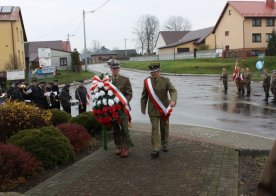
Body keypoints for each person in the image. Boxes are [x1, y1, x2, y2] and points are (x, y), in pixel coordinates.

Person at [141, 63, 177, 158]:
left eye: (155, 72)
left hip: (164, 109)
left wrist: (173, 100)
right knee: (155, 129)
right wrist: (143, 108)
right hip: (153, 110)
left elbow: (173, 90)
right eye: (151, 72)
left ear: (158, 71)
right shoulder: (147, 82)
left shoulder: (165, 81)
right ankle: (156, 148)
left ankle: (164, 144)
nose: (153, 74)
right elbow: (144, 96)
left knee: (164, 127)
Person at [109, 60, 133, 158]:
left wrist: (123, 103)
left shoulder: (125, 80)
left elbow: (129, 94)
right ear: (111, 69)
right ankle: (118, 146)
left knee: (124, 129)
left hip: (123, 109)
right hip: (112, 110)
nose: (115, 70)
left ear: (119, 69)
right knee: (115, 130)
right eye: (113, 68)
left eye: (117, 68)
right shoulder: (107, 81)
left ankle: (125, 148)